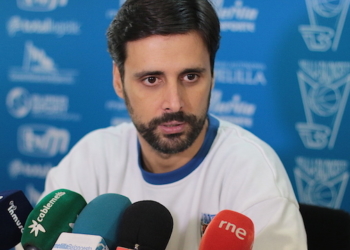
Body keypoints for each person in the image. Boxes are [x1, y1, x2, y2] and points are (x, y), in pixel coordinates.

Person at [40, 0, 307, 249]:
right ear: (119, 81)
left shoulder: (253, 174)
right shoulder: (90, 159)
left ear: (212, 76)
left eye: (190, 76)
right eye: (152, 80)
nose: (174, 103)